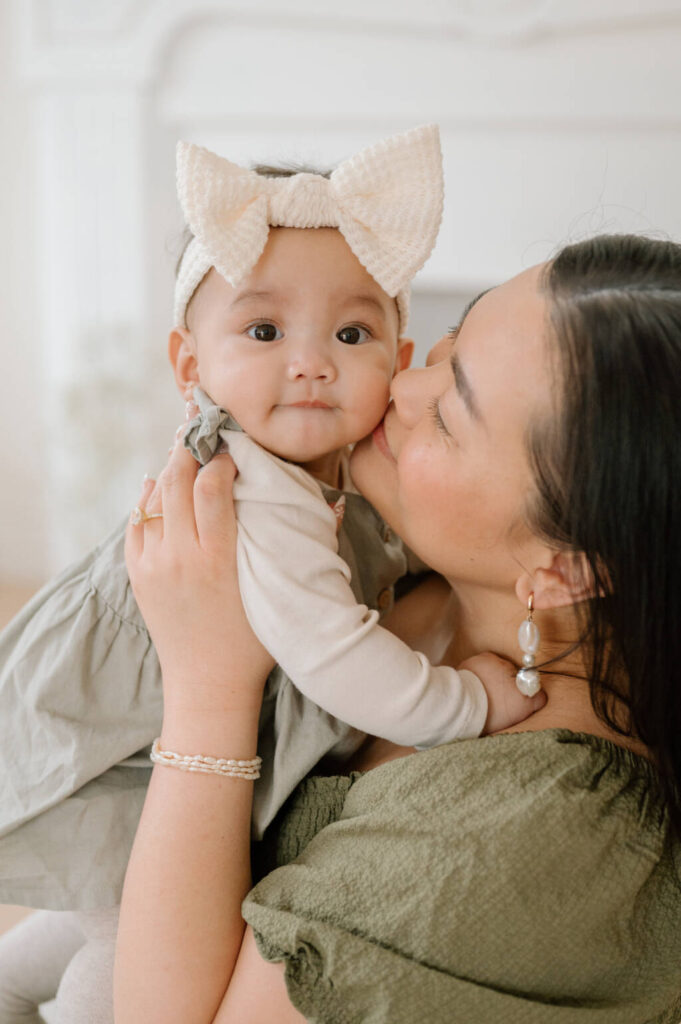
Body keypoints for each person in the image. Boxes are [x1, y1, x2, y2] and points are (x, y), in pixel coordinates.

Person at [0, 126, 540, 1024]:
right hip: (127, 758)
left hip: (139, 759)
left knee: (99, 899)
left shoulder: (318, 467)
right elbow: (337, 657)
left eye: (352, 333)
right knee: (125, 949)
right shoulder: (263, 497)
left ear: (397, 361)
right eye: (262, 330)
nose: (311, 362)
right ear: (191, 366)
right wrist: (464, 703)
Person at [114, 233, 681, 1023]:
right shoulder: (395, 559)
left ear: (565, 570)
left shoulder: (514, 840)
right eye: (445, 345)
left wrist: (207, 685)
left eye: (446, 416)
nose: (403, 386)